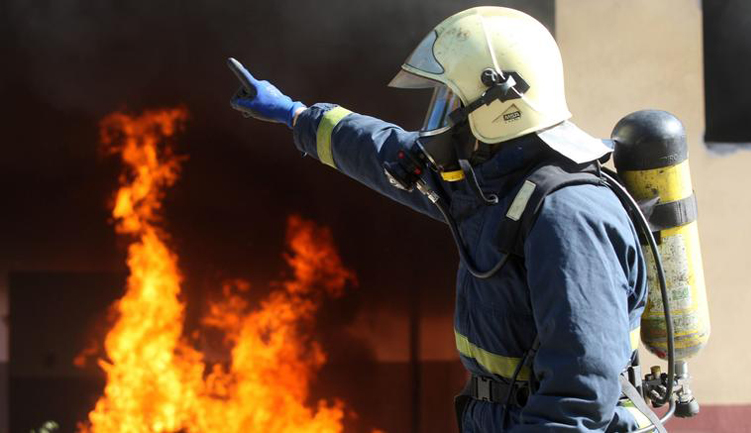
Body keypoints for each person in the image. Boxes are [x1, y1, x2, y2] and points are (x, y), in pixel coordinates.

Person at [229, 6, 650, 432]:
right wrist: (298, 116)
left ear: (501, 105)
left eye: (452, 104)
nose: (440, 121)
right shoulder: (494, 185)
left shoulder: (566, 215)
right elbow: (386, 155)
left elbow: (579, 395)